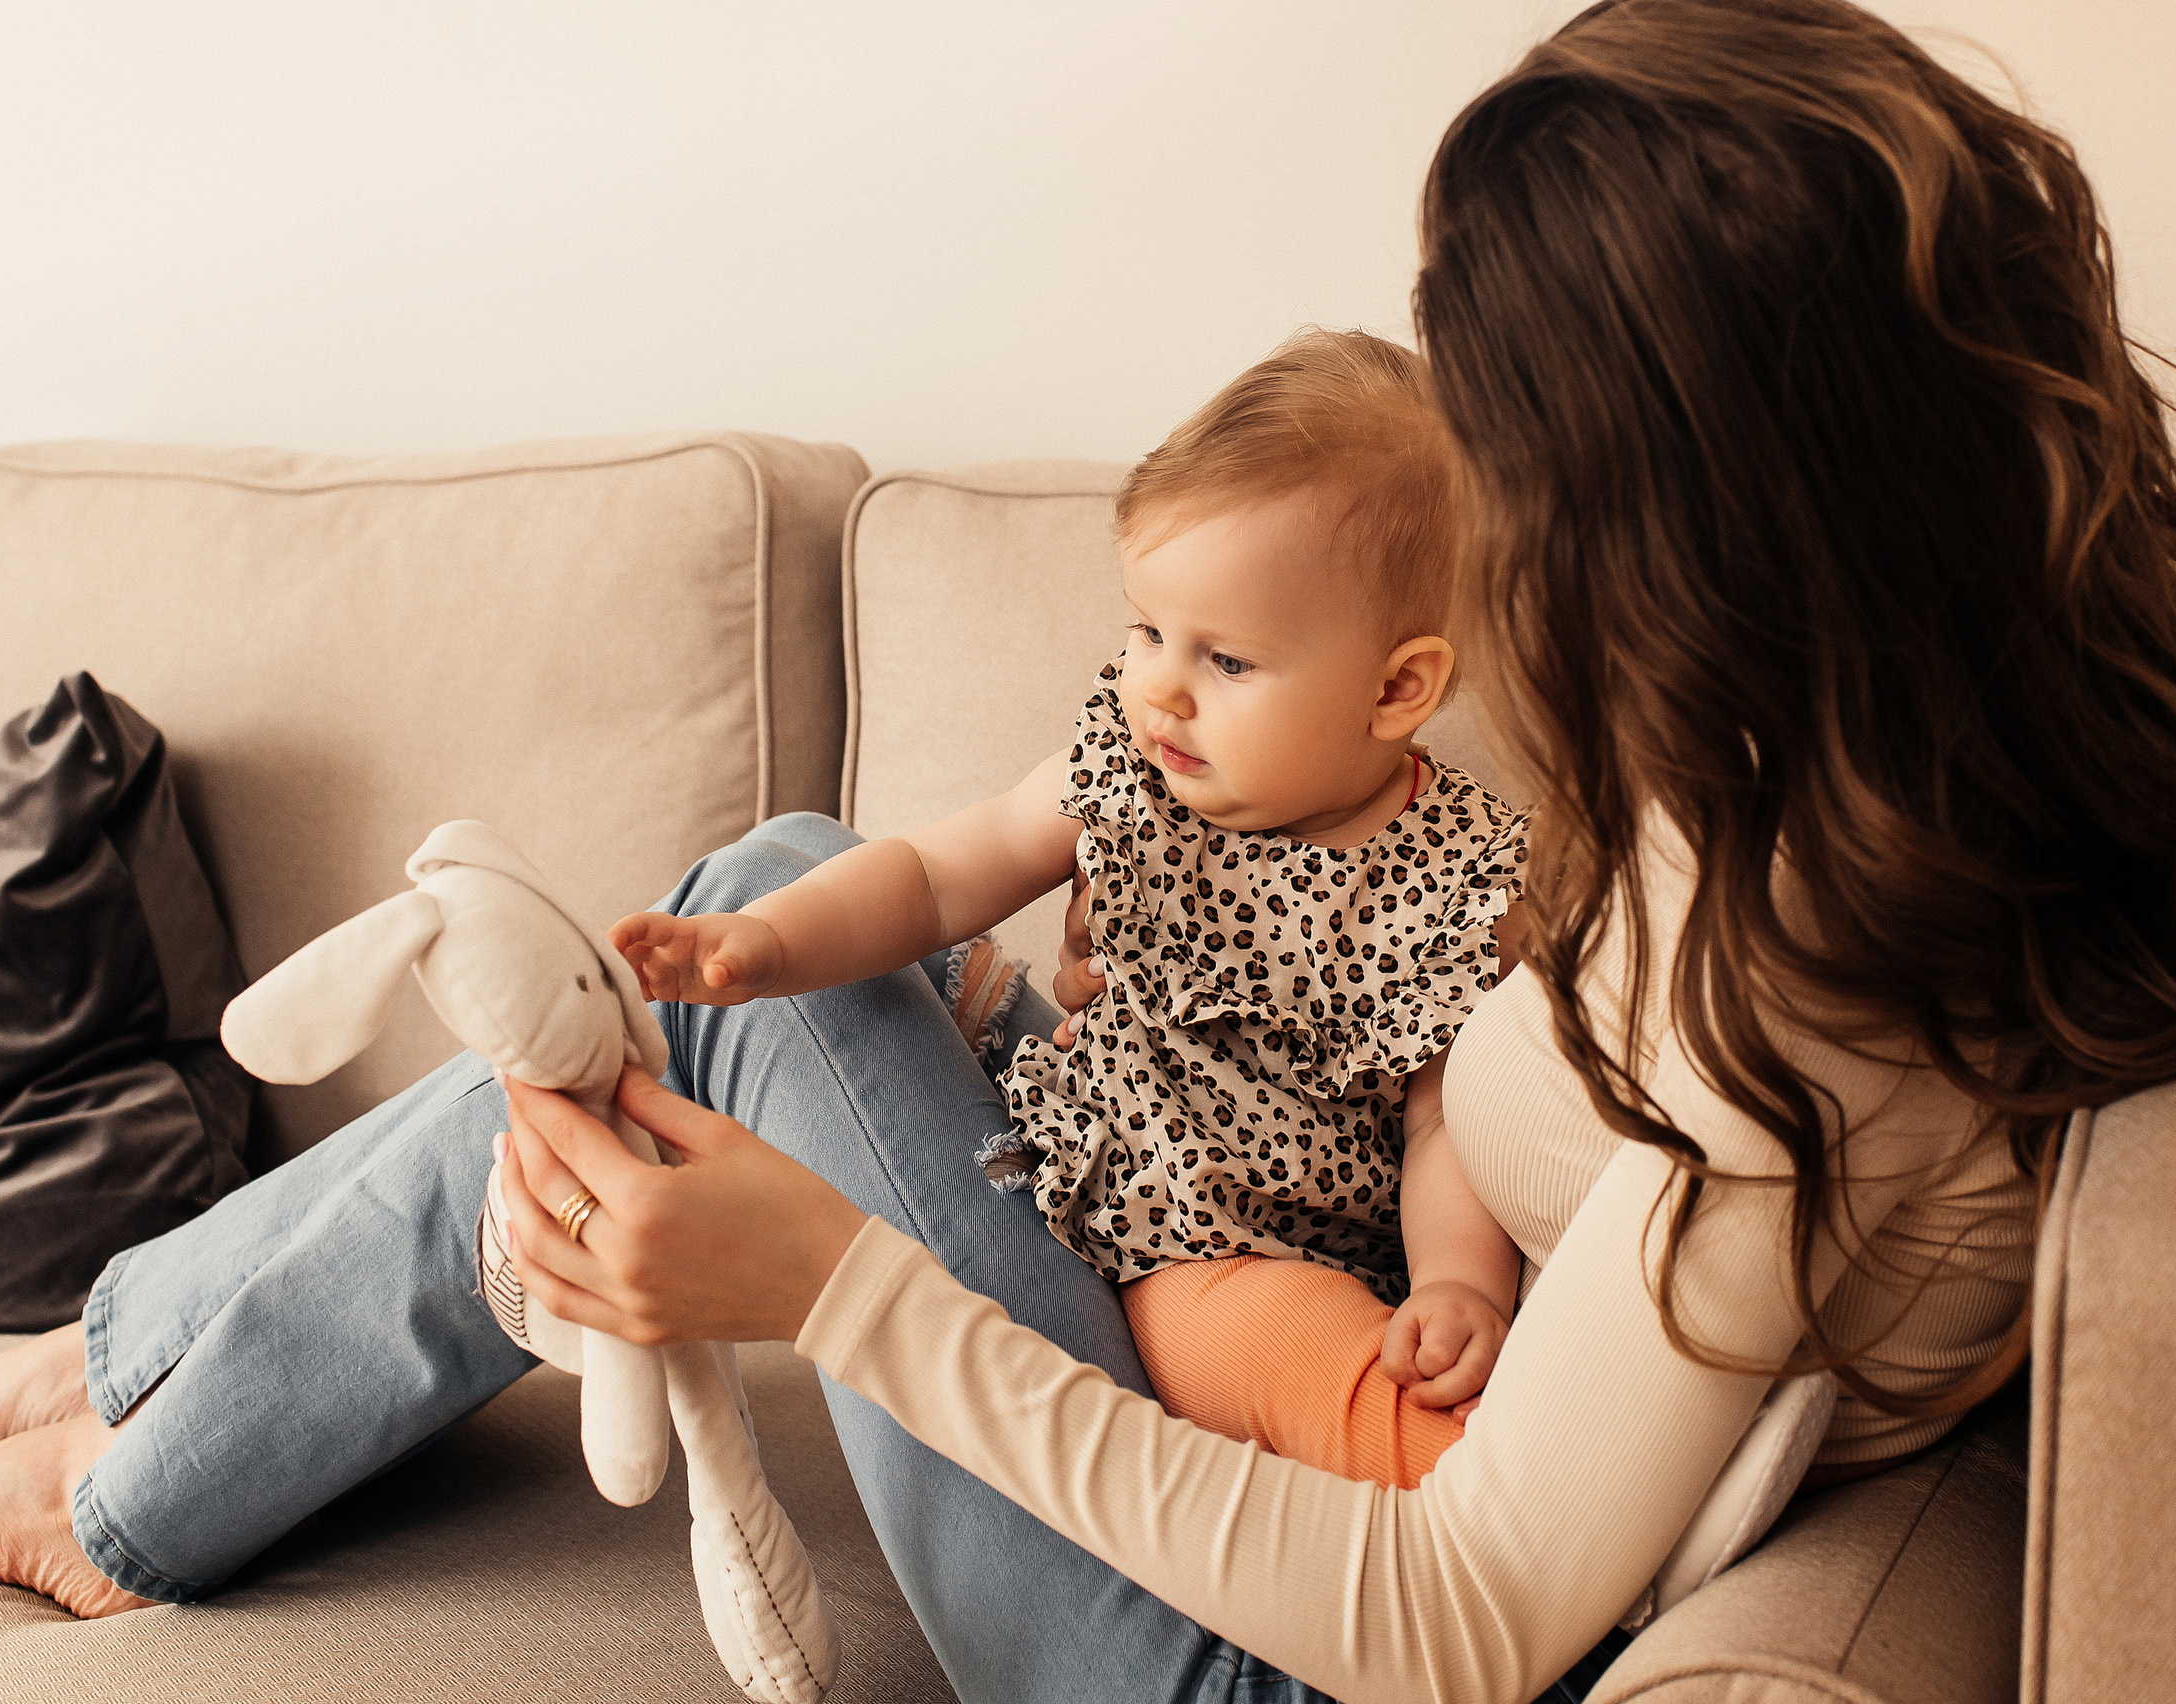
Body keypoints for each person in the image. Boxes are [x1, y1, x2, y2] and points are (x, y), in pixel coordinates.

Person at [0, 1, 2176, 1699]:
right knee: (768, 912)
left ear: (1693, 483)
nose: (1501, 501)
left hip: (1214, 1652)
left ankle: (123, 1489)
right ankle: (134, 1374)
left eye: (1516, 427)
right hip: (1240, 1398)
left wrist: (841, 1278)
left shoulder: (1801, 1013)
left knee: (734, 978)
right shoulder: (1837, 795)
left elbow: (1437, 1620)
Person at [610, 327, 1530, 1492]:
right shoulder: (1136, 762)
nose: (1159, 684)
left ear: (1398, 687)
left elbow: (1451, 1121)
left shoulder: (1453, 877)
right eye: (1146, 630)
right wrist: (772, 940)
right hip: (1107, 1170)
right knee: (796, 877)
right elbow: (946, 873)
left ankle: (1487, 1498)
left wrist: (1460, 1285)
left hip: (1257, 1247)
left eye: (1227, 662)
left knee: (1276, 1339)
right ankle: (1468, 1488)